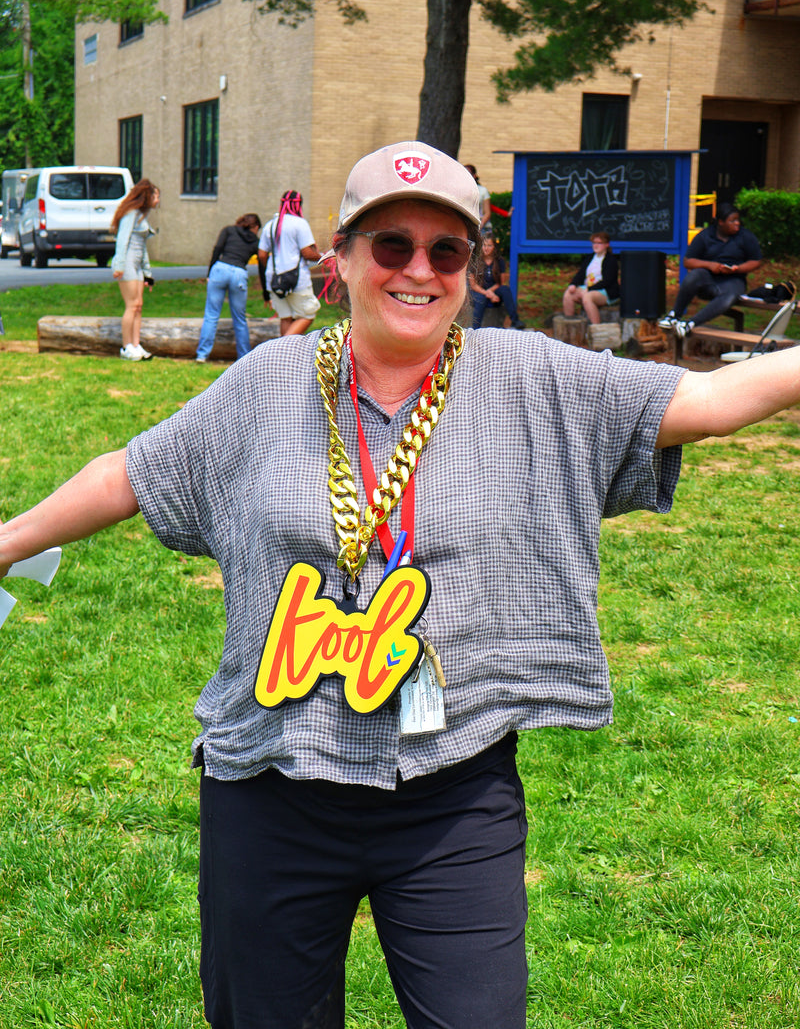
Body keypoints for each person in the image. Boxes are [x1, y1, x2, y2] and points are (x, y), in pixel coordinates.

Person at [3, 140, 800, 1029]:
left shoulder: (530, 376)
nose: (418, 270)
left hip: (454, 787)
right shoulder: (268, 383)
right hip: (272, 777)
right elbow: (133, 473)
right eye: (391, 246)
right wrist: (7, 542)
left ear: (470, 268)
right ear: (338, 260)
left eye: (446, 251)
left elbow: (706, 402)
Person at [658, 203, 762, 338]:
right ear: (720, 222)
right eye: (732, 221)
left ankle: (690, 323)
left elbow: (756, 261)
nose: (737, 223)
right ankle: (674, 316)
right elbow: (688, 261)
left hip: (733, 280)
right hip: (708, 279)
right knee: (694, 276)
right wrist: (710, 265)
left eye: (738, 220)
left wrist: (738, 269)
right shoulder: (705, 236)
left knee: (730, 295)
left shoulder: (745, 236)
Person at [196, 214, 262, 363]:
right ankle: (244, 357)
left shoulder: (228, 230)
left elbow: (217, 248)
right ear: (256, 227)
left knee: (211, 315)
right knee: (239, 318)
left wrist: (210, 272)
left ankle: (202, 355)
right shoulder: (255, 241)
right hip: (239, 273)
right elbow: (262, 261)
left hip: (220, 269)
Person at [258, 189, 322, 335]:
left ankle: (282, 354)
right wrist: (322, 257)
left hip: (274, 279)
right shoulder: (300, 223)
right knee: (307, 315)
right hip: (296, 280)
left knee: (285, 318)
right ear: (299, 205)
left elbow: (262, 254)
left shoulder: (270, 225)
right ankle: (283, 349)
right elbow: (307, 253)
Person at [110, 178, 160, 361]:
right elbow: (122, 241)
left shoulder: (141, 215)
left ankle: (136, 344)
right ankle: (126, 347)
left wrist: (148, 274)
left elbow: (143, 248)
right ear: (147, 196)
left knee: (139, 305)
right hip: (128, 263)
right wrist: (120, 266)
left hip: (138, 264)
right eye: (156, 196)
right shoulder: (130, 213)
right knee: (131, 305)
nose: (158, 200)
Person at [468, 230, 526, 329]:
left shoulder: (499, 261)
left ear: (494, 247)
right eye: (484, 245)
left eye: (489, 245)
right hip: (478, 291)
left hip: (494, 290)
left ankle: (515, 320)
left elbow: (500, 282)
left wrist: (491, 292)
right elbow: (473, 285)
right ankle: (475, 328)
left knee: (505, 290)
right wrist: (487, 294)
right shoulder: (475, 261)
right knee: (481, 299)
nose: (486, 248)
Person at [562, 231, 620, 324]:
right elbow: (580, 274)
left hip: (605, 291)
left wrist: (590, 289)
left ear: (606, 244)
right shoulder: (589, 258)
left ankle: (596, 327)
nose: (596, 245)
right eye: (594, 243)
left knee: (587, 297)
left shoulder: (611, 260)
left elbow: (608, 281)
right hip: (588, 288)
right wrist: (573, 284)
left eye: (599, 243)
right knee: (568, 294)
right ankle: (570, 324)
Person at [465, 163, 492, 230]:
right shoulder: (459, 190)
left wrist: (480, 226)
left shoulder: (482, 191)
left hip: (481, 226)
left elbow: (487, 212)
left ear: (474, 176)